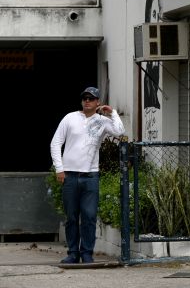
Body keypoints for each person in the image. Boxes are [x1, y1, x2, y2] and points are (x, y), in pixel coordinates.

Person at [49, 86, 124, 265]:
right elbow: (55, 143)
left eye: (91, 99)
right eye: (85, 98)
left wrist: (112, 113)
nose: (87, 101)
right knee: (72, 217)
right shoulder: (70, 118)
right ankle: (73, 253)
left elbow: (120, 132)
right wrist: (59, 169)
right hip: (70, 176)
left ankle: (87, 253)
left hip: (90, 175)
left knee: (89, 216)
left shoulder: (102, 121)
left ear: (98, 102)